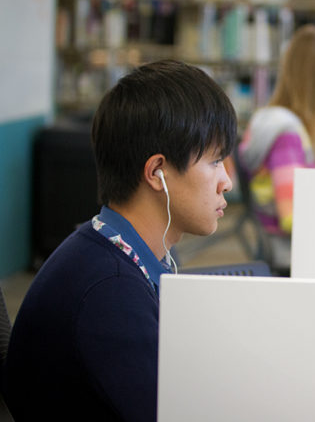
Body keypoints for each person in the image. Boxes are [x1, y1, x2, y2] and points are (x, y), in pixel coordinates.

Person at [4, 60, 236, 421]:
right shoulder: (108, 292)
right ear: (157, 172)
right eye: (215, 161)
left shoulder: (110, 247)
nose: (227, 181)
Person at [238, 25, 315, 273]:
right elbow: (289, 216)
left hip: (283, 254)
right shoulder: (287, 135)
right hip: (289, 260)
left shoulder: (269, 119)